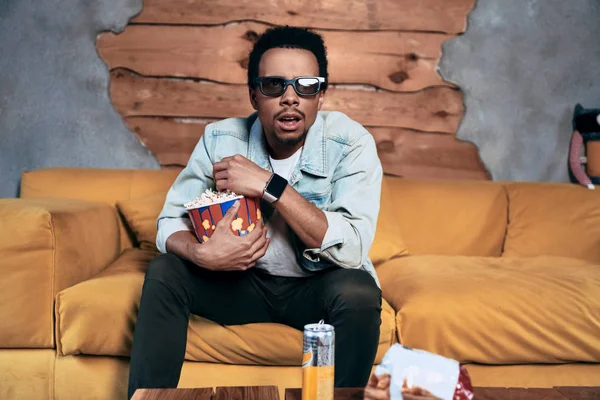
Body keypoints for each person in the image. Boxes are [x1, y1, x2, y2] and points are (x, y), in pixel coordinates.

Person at [127, 25, 384, 399]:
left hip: (317, 288)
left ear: (321, 95)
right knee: (165, 271)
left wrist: (269, 184)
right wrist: (201, 253)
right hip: (239, 283)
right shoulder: (220, 139)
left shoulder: (350, 143)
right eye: (274, 86)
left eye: (306, 85)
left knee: (359, 292)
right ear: (253, 95)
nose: (291, 98)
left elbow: (352, 249)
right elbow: (168, 224)